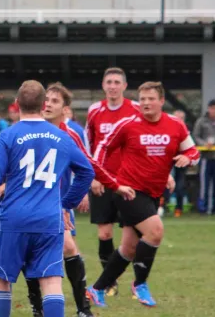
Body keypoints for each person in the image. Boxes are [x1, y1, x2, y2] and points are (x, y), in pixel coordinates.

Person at [0, 80, 95, 317]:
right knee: (51, 283)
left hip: (13, 219)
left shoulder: (6, 136)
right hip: (49, 220)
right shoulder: (62, 137)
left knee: (1, 281)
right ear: (43, 104)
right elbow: (87, 172)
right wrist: (65, 205)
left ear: (16, 104)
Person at [86, 81, 200, 308]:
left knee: (128, 248)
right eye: (143, 99)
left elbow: (193, 150)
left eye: (151, 99)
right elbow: (101, 148)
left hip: (152, 193)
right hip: (127, 191)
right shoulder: (128, 124)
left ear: (161, 101)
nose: (146, 103)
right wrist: (97, 175)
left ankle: (95, 289)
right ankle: (140, 284)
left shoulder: (175, 125)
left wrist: (188, 158)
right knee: (156, 231)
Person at [24, 82, 134, 317]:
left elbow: (89, 165)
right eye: (47, 100)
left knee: (68, 248)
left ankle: (82, 309)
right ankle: (39, 308)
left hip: (58, 203)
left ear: (65, 110)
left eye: (55, 101)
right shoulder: (29, 129)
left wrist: (113, 185)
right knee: (36, 253)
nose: (48, 104)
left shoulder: (70, 133)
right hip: (30, 203)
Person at [84, 67, 140, 296]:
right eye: (109, 82)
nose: (113, 86)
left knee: (132, 236)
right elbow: (88, 145)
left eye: (117, 82)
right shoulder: (95, 111)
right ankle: (109, 283)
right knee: (104, 234)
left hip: (129, 180)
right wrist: (93, 176)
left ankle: (137, 283)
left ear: (124, 86)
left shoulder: (135, 109)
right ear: (103, 85)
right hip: (103, 181)